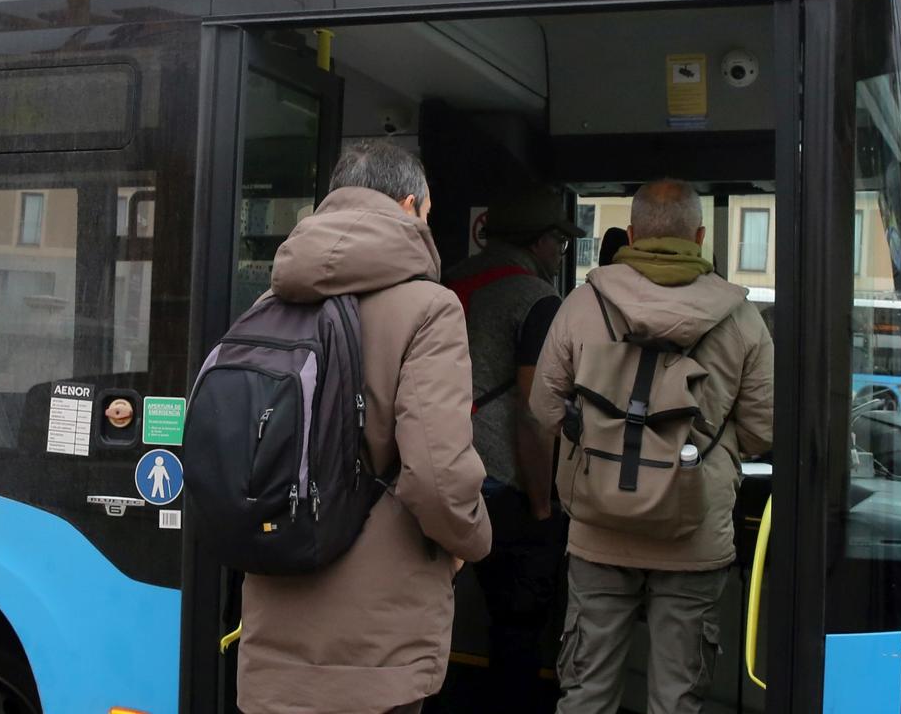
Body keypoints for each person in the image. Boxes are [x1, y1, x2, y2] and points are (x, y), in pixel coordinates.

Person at [237, 139, 493, 714]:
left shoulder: (268, 302)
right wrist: (470, 542)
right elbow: (437, 473)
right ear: (409, 207)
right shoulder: (430, 307)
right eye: (427, 215)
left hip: (274, 625)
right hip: (377, 648)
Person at [529, 178, 774, 714]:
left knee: (587, 691)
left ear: (634, 234)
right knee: (676, 698)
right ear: (702, 235)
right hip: (694, 534)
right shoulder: (743, 319)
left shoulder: (582, 303)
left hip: (599, 528)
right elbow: (762, 431)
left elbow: (543, 408)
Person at [443, 187, 583, 707]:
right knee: (519, 627)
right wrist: (543, 505)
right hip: (502, 484)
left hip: (439, 470)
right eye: (561, 245)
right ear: (542, 242)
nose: (561, 255)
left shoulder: (449, 280)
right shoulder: (537, 300)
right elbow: (532, 410)